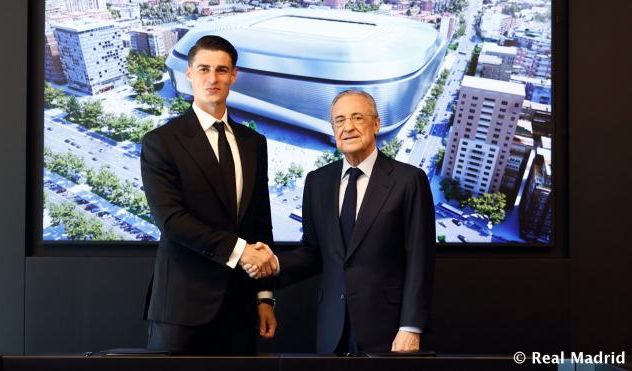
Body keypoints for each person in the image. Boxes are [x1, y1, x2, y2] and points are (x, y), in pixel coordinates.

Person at [246, 90, 435, 354]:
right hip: (331, 330)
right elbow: (313, 252)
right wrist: (275, 263)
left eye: (357, 118)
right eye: (340, 120)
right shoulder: (317, 181)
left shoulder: (409, 180)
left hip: (389, 331)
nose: (348, 127)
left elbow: (420, 259)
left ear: (376, 124)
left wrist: (411, 327)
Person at [140, 35, 278, 355]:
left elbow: (260, 225)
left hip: (241, 307)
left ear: (233, 76)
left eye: (221, 70)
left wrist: (264, 297)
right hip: (182, 308)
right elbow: (172, 221)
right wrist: (241, 251)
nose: (212, 78)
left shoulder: (253, 143)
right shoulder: (161, 142)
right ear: (189, 73)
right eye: (203, 69)